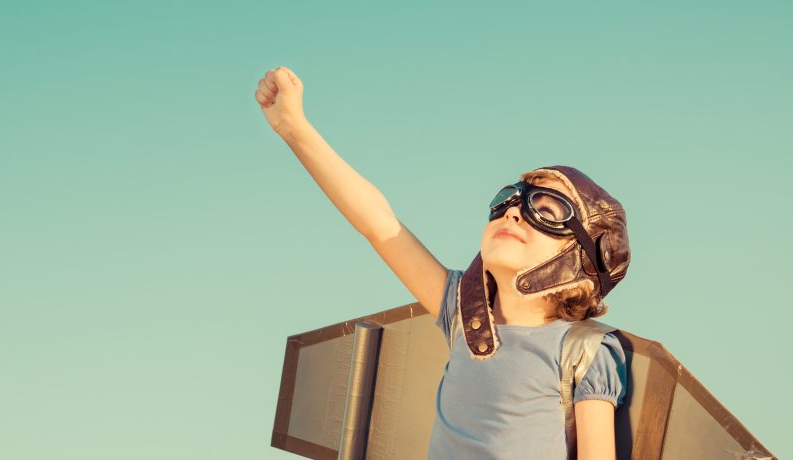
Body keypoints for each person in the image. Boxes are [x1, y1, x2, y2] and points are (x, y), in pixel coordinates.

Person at [255, 66, 630, 460]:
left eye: (547, 209)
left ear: (584, 257)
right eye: (509, 200)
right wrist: (294, 129)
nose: (514, 213)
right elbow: (380, 226)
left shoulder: (585, 349)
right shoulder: (463, 318)